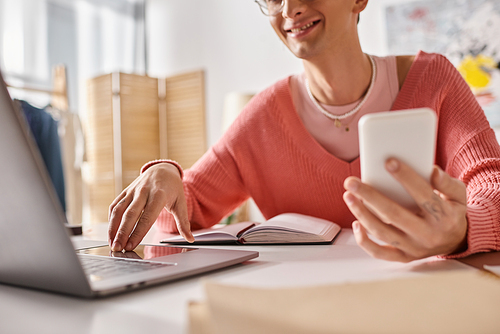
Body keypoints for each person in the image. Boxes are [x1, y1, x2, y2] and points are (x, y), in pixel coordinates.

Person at [108, 0, 500, 262]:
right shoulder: (262, 116)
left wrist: (463, 228)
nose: (290, 7)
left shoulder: (434, 80)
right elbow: (184, 210)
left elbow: (491, 185)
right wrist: (164, 174)